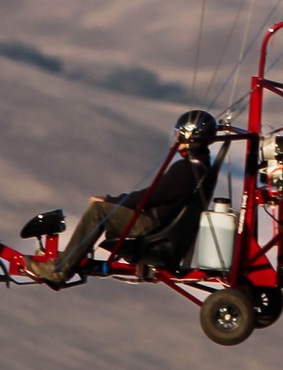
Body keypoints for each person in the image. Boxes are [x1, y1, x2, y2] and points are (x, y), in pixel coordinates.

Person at [27, 109, 218, 283]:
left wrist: (110, 201)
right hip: (160, 222)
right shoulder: (201, 166)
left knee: (98, 211)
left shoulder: (186, 169)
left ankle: (60, 271)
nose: (177, 138)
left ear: (190, 137)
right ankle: (70, 258)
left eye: (180, 134)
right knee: (105, 211)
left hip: (150, 223)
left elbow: (150, 196)